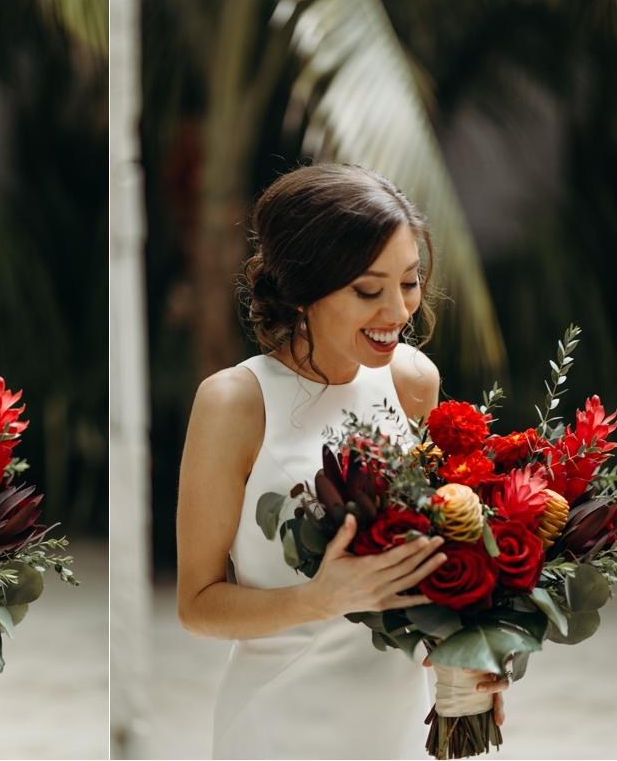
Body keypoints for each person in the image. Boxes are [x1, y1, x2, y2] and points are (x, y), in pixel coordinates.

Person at [176, 163, 508, 759]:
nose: (400, 311)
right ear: (305, 287)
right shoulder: (235, 402)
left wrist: (470, 656)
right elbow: (196, 606)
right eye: (367, 289)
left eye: (409, 282)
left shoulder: (412, 382)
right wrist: (316, 600)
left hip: (399, 727)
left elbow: (437, 562)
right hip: (279, 728)